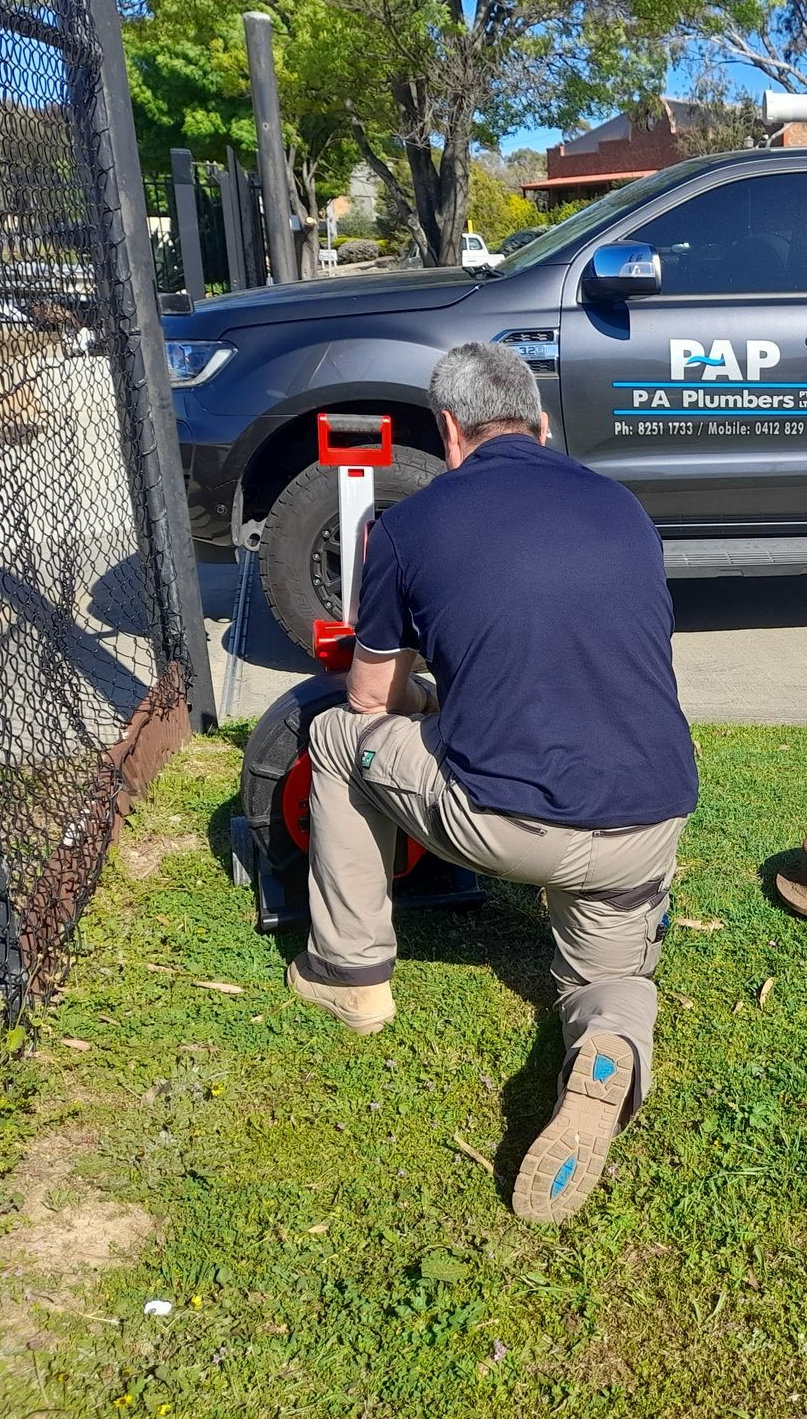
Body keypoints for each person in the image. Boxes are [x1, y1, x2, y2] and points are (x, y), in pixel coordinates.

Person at [284, 341, 699, 1224]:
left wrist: (418, 694)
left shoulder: (409, 525)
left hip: (508, 823)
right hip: (647, 818)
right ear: (542, 424)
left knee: (333, 738)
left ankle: (351, 975)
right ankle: (608, 1052)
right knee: (608, 977)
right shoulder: (624, 507)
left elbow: (368, 698)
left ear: (448, 431)